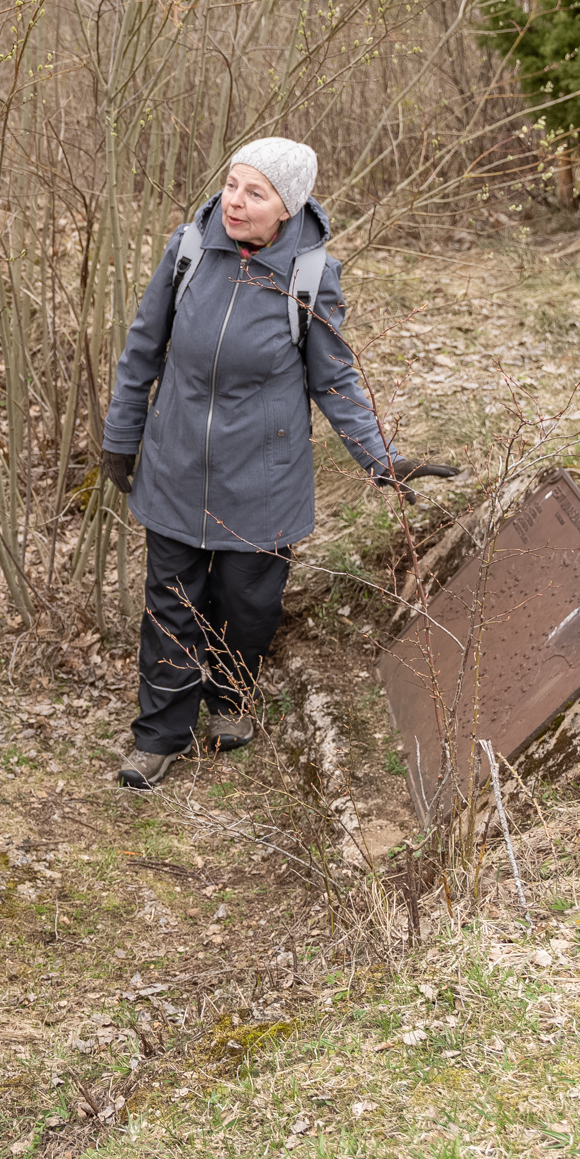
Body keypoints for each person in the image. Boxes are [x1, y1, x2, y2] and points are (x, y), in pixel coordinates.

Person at [102, 138, 458, 790]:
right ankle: (158, 736)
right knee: (171, 605)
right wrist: (121, 438)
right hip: (178, 466)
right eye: (232, 184)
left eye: (256, 192)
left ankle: (231, 694)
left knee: (248, 604)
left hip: (262, 481)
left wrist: (382, 460)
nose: (235, 202)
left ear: (286, 207)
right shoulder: (187, 251)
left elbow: (335, 380)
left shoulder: (311, 276)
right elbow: (141, 350)